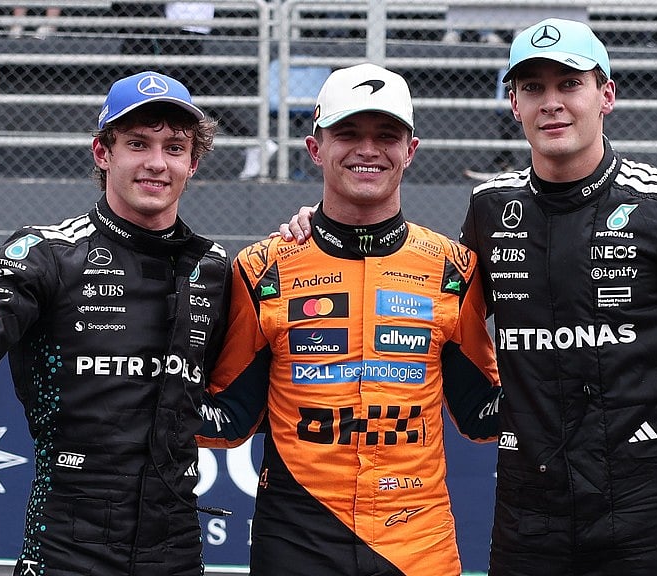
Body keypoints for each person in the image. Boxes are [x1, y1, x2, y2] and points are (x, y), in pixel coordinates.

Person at [281, 18, 657, 575]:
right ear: (514, 104)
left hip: (649, 518)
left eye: (569, 84)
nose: (551, 102)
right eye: (533, 87)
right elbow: (427, 299)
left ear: (606, 95)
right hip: (528, 523)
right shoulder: (490, 208)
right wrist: (330, 234)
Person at [196, 63, 502, 576]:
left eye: (386, 136)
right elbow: (230, 419)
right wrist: (130, 395)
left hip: (417, 544)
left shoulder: (454, 269)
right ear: (315, 148)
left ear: (410, 150)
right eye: (347, 134)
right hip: (297, 541)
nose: (368, 149)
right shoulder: (261, 268)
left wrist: (581, 369)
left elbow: (479, 415)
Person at [0, 70, 231, 576]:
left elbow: (236, 390)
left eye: (174, 148)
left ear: (192, 163)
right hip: (66, 546)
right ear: (102, 153)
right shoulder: (44, 254)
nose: (157, 163)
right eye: (138, 144)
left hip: (176, 546)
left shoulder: (214, 267)